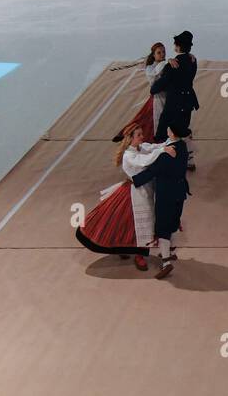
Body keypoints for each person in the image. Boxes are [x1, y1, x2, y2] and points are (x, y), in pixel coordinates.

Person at [77, 125, 174, 272]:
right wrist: (162, 150)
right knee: (136, 225)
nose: (142, 137)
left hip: (143, 190)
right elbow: (144, 160)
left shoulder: (140, 147)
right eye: (139, 135)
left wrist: (171, 141)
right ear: (130, 139)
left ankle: (124, 248)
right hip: (135, 194)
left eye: (141, 134)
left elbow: (153, 147)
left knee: (127, 224)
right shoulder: (129, 155)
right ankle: (138, 255)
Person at [129, 120, 192, 281]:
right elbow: (159, 148)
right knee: (173, 221)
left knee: (163, 227)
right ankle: (170, 252)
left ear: (171, 132)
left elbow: (152, 171)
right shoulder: (183, 147)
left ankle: (166, 262)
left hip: (167, 195)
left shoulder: (166, 155)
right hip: (180, 192)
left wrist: (135, 180)